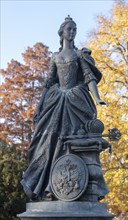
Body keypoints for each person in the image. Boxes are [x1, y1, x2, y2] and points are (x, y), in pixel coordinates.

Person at [21, 16, 107, 201]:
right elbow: (48, 83)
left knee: (74, 139)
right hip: (55, 101)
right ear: (62, 33)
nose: (72, 31)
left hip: (76, 100)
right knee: (48, 140)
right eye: (69, 28)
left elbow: (88, 77)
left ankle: (75, 184)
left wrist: (97, 98)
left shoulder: (80, 55)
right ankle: (47, 185)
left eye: (74, 29)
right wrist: (39, 106)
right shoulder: (55, 57)